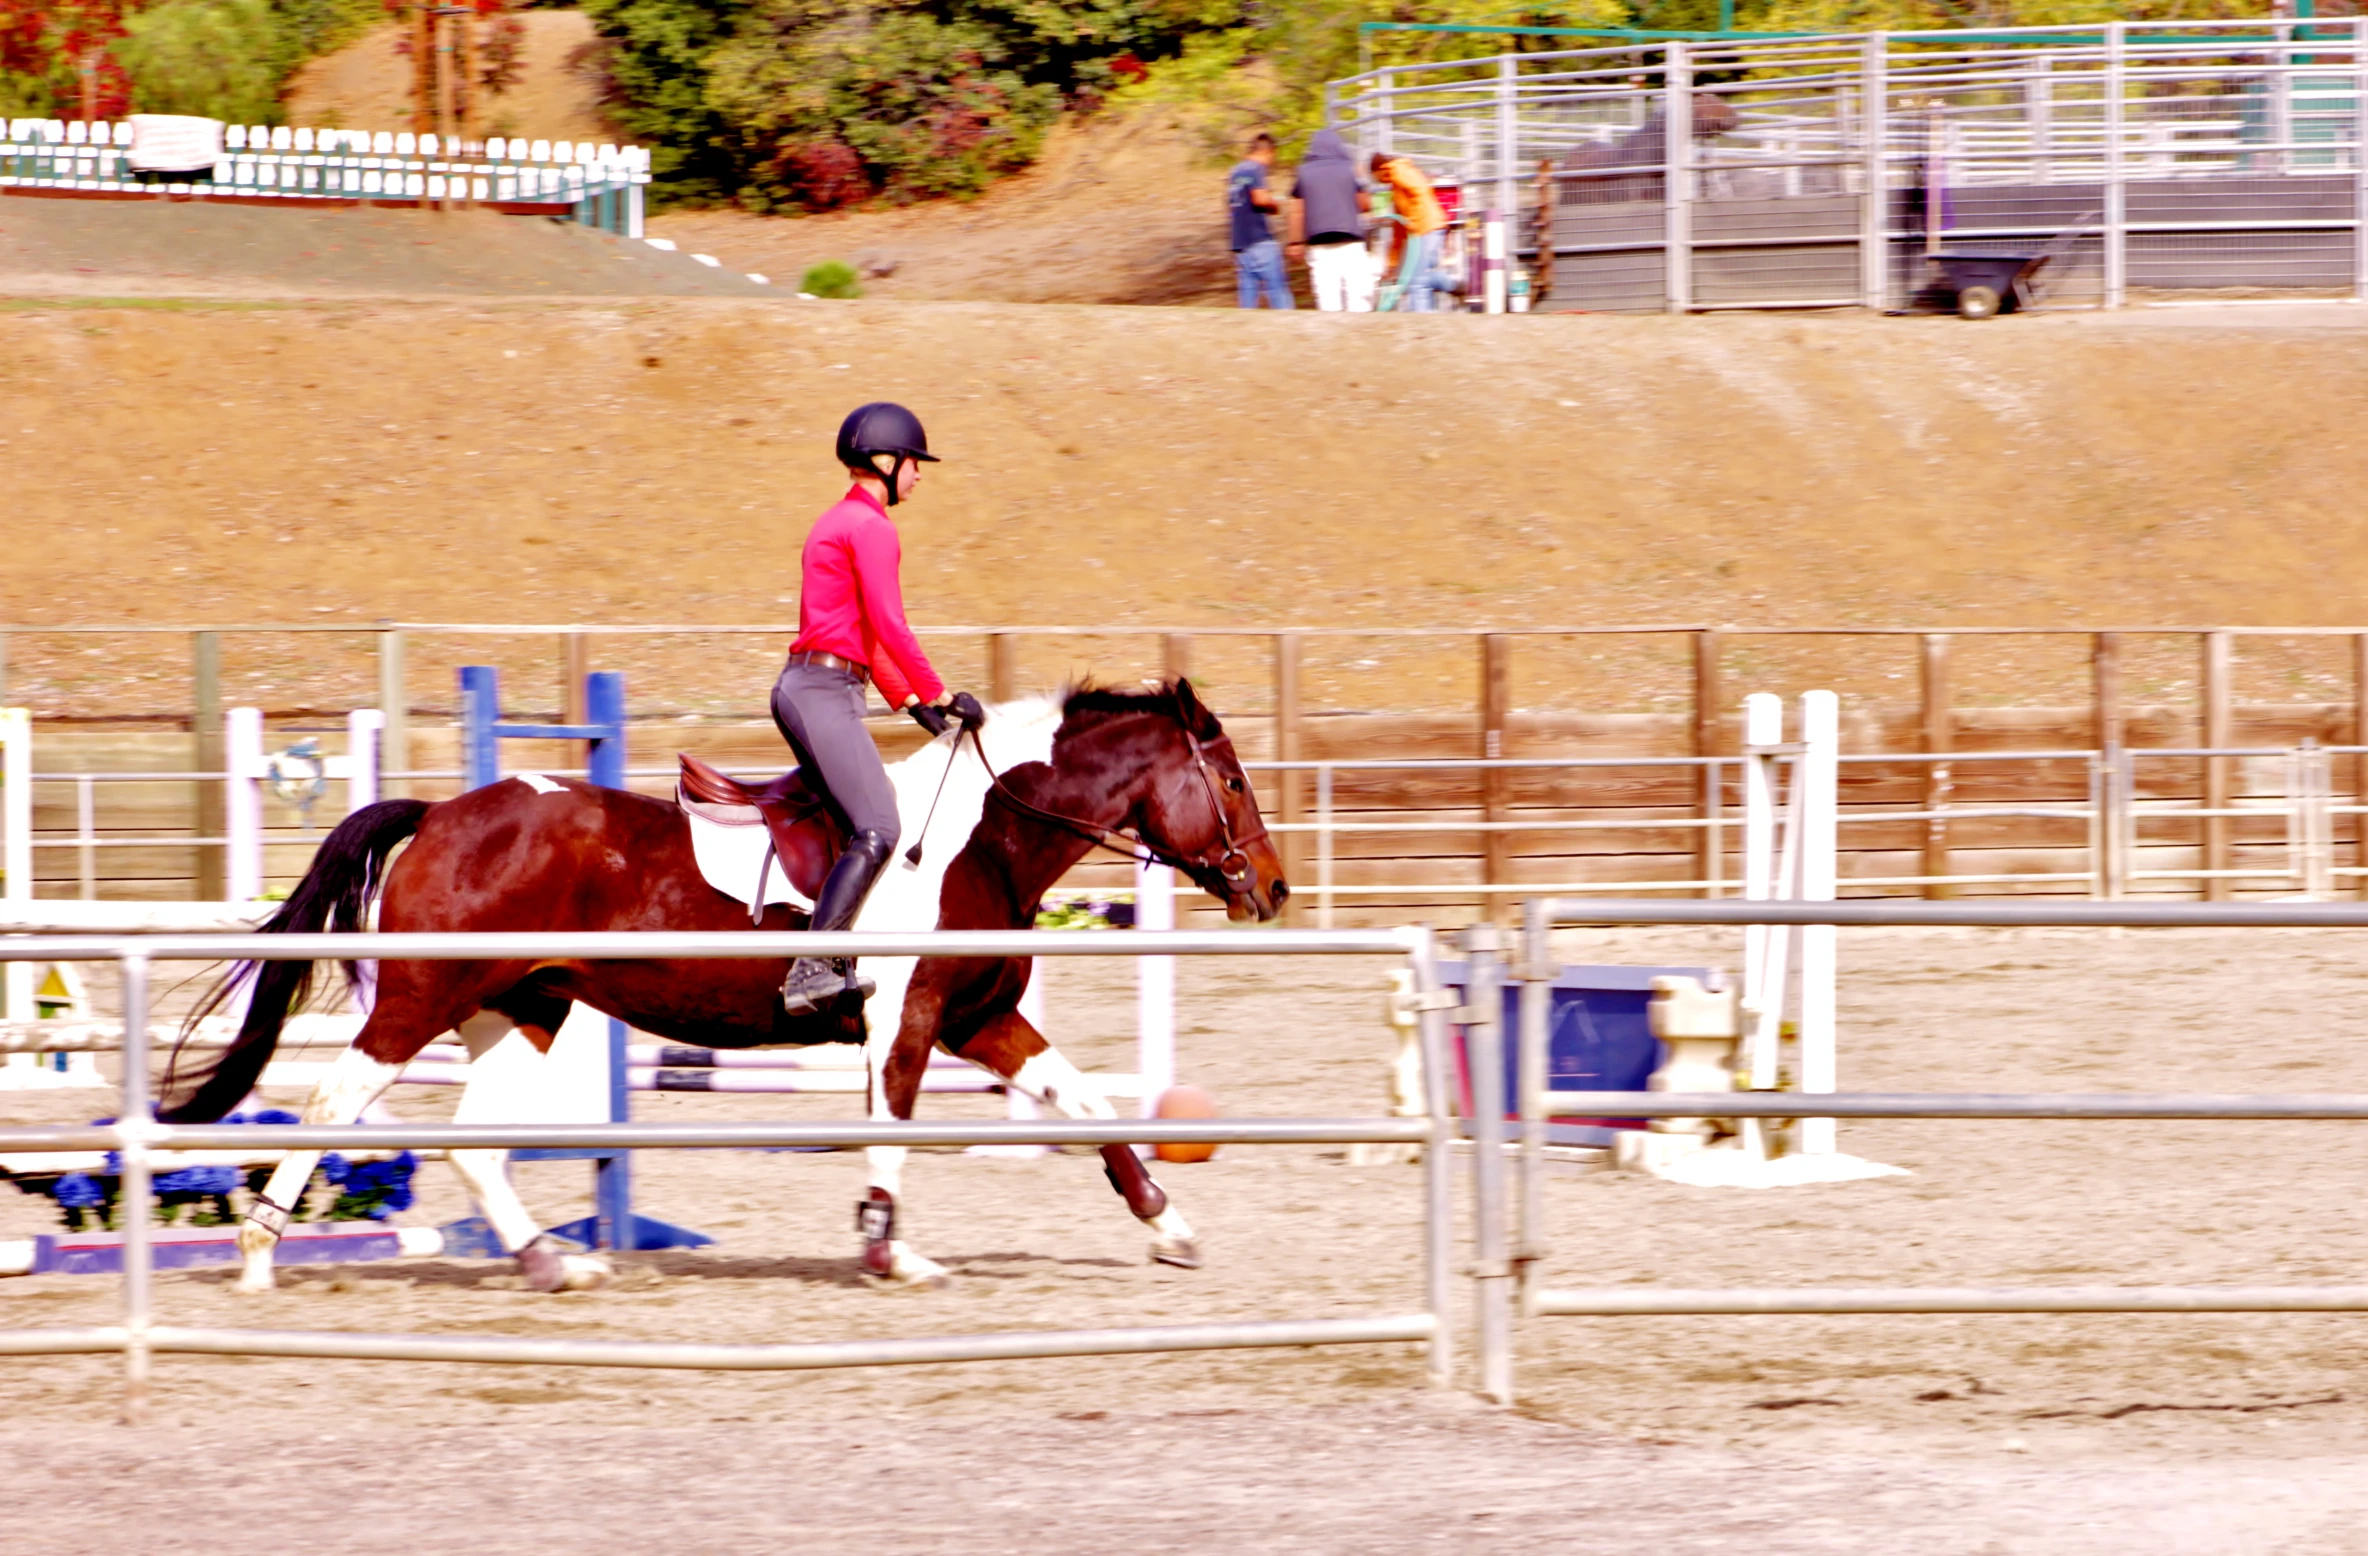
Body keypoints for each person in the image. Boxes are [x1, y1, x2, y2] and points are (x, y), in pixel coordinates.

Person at [773, 402, 984, 1017]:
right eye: (915, 462)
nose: (920, 475)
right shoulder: (871, 528)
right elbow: (890, 624)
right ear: (887, 461)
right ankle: (811, 969)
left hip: (824, 685)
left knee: (858, 822)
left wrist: (912, 700)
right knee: (881, 828)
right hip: (822, 691)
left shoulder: (841, 521)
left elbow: (860, 631)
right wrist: (940, 691)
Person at [1288, 127, 1372, 312]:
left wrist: (1294, 243)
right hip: (1351, 242)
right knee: (1358, 299)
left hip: (1319, 245)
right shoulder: (1351, 169)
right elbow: (1365, 205)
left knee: (1328, 302)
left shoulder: (1303, 172)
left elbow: (1297, 211)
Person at [1368, 151, 1452, 312]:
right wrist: (1392, 264)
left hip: (1427, 227)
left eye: (1374, 176)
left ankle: (1422, 324)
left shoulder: (1399, 170)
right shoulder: (1396, 189)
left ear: (1379, 169)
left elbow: (1420, 191)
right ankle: (1452, 283)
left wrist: (1413, 220)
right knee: (1419, 280)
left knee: (1417, 282)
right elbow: (1398, 230)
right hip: (1423, 230)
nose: (1376, 180)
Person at [1227, 132, 1293, 309]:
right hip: (1259, 240)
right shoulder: (1255, 169)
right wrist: (1275, 203)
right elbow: (1260, 199)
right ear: (1269, 152)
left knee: (1248, 297)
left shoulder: (1236, 172)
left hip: (1241, 242)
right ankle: (1290, 330)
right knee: (1278, 292)